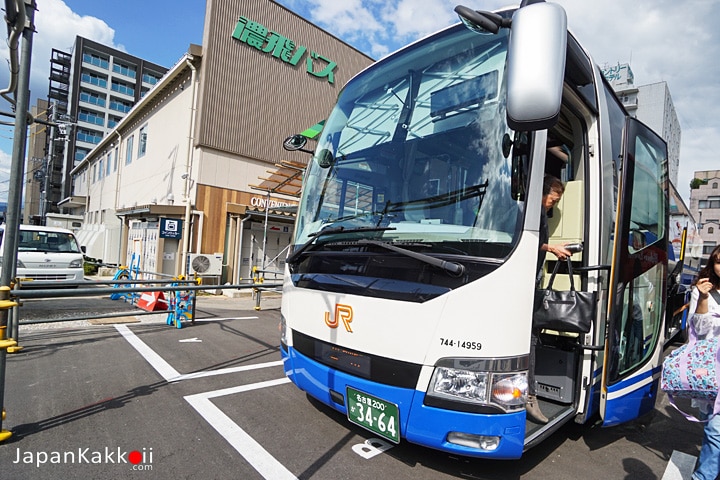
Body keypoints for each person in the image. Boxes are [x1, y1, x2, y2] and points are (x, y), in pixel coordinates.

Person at [527, 174, 574, 424]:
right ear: (542, 191)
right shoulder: (528, 210)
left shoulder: (539, 213)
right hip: (523, 282)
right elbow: (528, 240)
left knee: (531, 336)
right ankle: (529, 396)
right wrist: (551, 248)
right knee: (530, 337)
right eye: (552, 199)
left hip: (531, 280)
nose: (552, 204)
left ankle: (528, 393)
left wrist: (552, 246)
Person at [686, 244, 720, 480]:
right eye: (719, 261)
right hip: (714, 367)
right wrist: (704, 298)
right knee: (715, 429)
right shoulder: (703, 289)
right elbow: (699, 329)